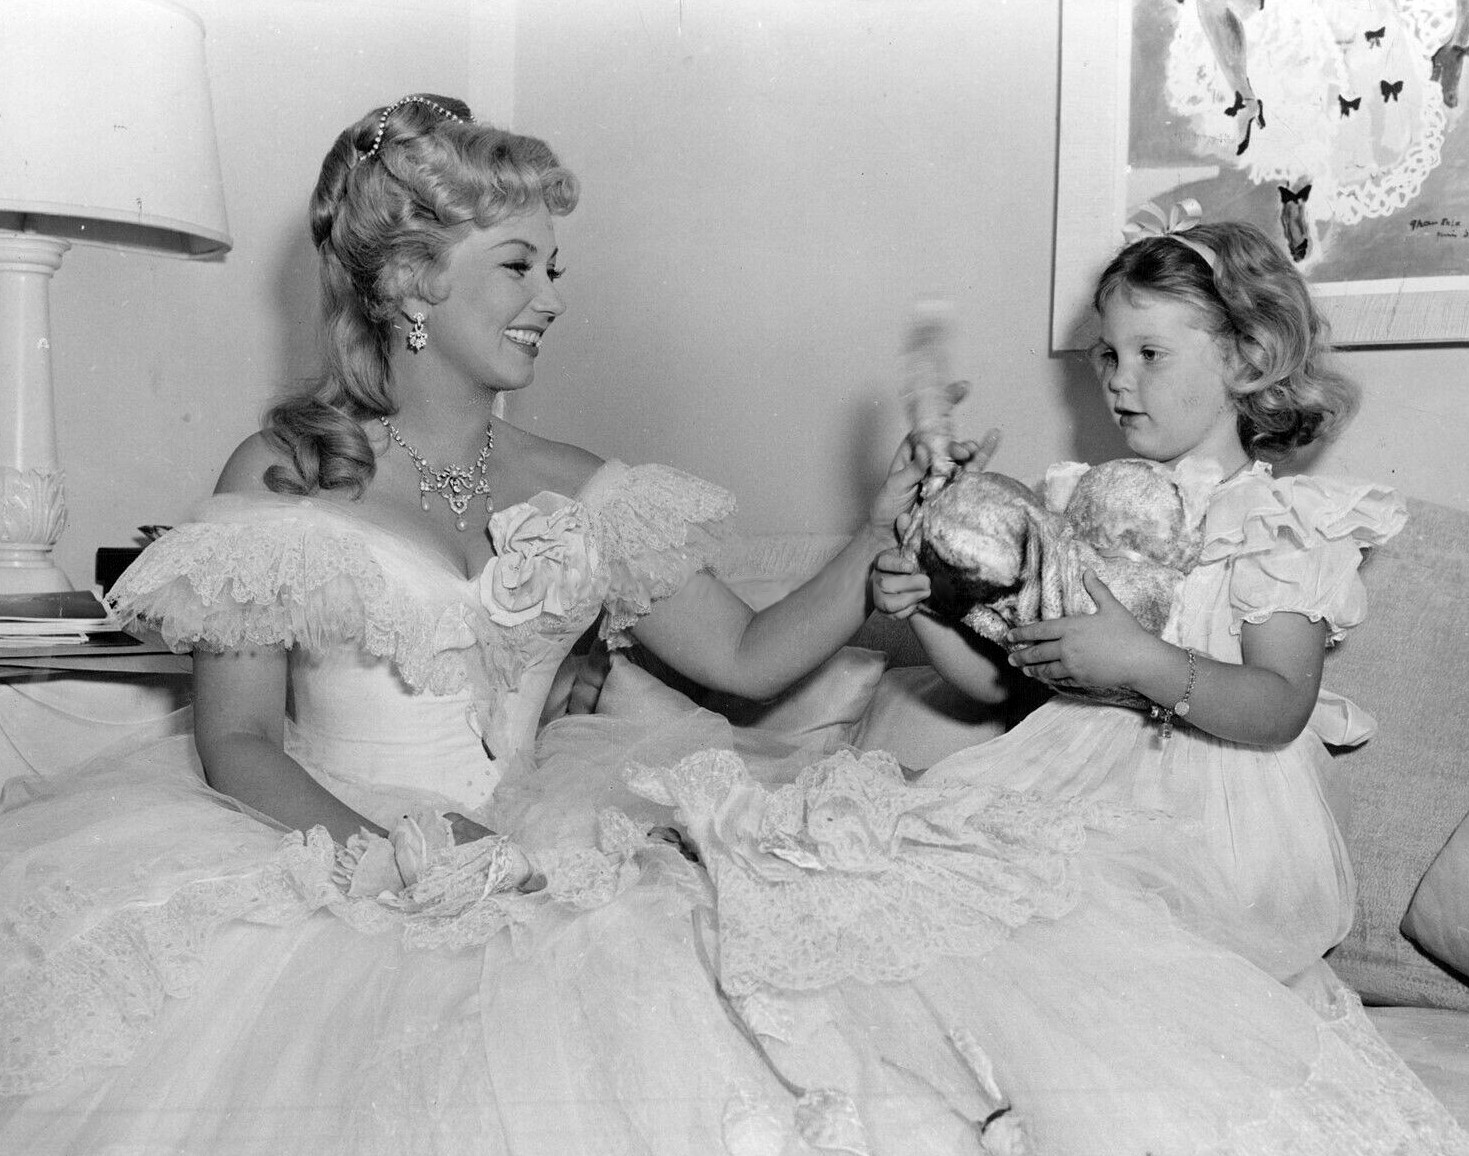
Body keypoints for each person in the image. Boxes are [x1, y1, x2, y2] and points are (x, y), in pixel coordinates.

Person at [0, 97, 1464, 1155]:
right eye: (519, 264)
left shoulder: (578, 482)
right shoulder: (282, 471)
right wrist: (395, 856)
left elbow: (750, 660)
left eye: (555, 267)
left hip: (539, 849)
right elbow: (239, 743)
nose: (551, 299)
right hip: (320, 858)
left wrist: (881, 534)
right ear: (406, 283)